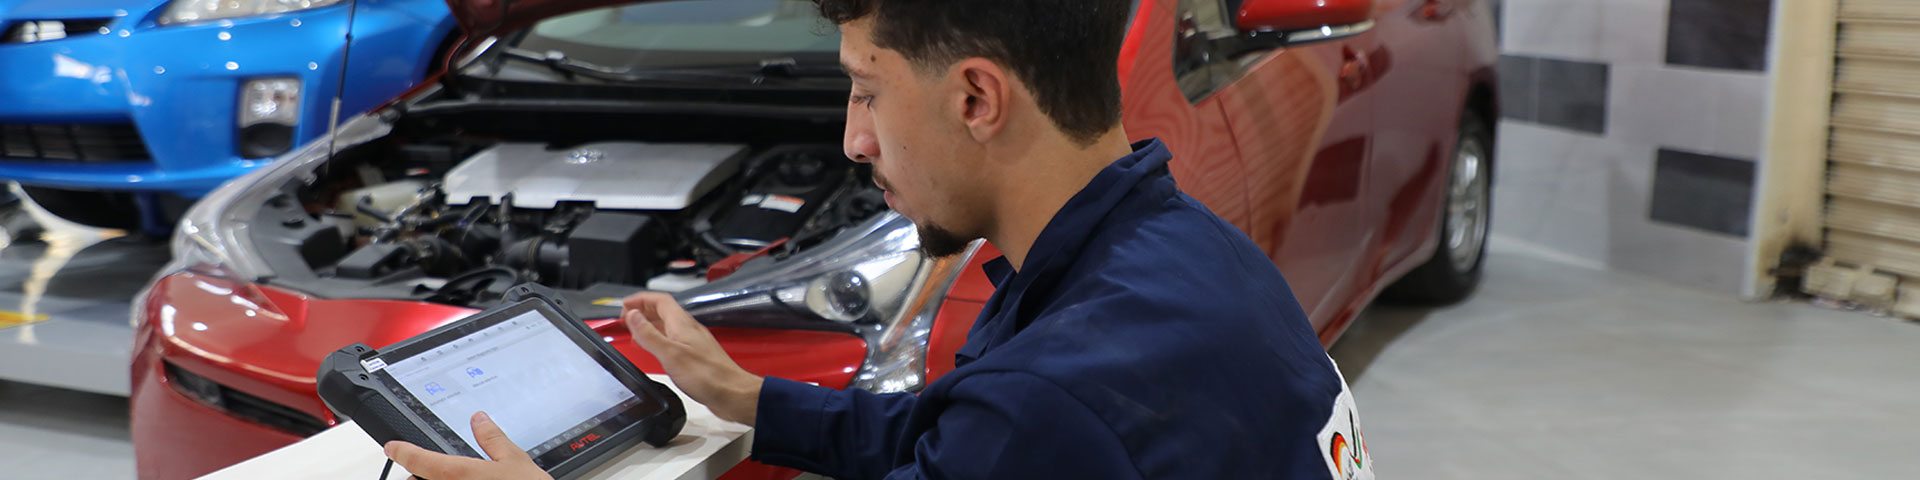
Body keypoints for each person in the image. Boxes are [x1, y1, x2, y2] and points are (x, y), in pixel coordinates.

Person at [384, 0, 1373, 478]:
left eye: (866, 89)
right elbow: (957, 438)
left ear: (978, 96)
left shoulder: (1055, 395)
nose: (855, 141)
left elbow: (1007, 433)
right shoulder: (1182, 253)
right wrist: (751, 400)